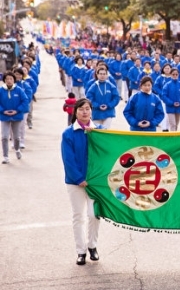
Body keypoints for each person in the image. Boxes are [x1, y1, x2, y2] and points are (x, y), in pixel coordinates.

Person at [60, 98, 103, 265]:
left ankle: (93, 246)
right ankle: (81, 251)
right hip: (75, 182)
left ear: (91, 111)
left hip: (95, 183)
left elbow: (107, 155)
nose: (85, 112)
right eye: (81, 109)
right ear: (75, 112)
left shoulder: (100, 131)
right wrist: (79, 178)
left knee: (94, 215)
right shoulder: (68, 133)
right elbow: (68, 159)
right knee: (78, 216)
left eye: (87, 109)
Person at [0, 72, 29, 163]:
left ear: (14, 80)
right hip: (4, 116)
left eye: (11, 79)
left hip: (16, 116)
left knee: (16, 137)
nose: (9, 81)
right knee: (4, 137)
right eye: (7, 79)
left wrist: (17, 110)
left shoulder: (19, 90)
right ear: (4, 80)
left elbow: (25, 101)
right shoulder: (1, 90)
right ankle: (5, 156)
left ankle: (17, 150)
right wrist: (3, 110)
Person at [161, 67, 180, 131]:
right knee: (173, 124)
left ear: (178, 75)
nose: (175, 76)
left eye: (176, 74)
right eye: (173, 74)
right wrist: (171, 103)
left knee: (176, 124)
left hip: (179, 107)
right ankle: (172, 138)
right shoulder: (167, 85)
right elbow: (164, 96)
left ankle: (175, 136)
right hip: (170, 108)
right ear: (170, 75)